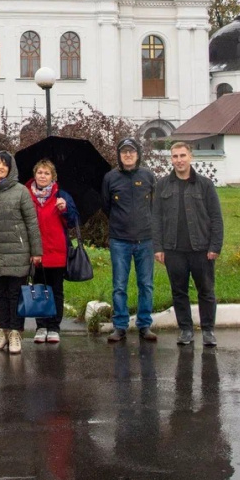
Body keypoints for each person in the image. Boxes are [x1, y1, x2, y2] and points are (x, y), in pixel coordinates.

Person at [153, 141, 224, 346]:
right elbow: (156, 218)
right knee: (179, 291)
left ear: (190, 157)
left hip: (201, 249)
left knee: (206, 291)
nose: (179, 160)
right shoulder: (163, 185)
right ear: (171, 159)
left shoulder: (205, 185)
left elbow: (216, 218)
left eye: (182, 156)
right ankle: (185, 329)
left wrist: (214, 246)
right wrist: (158, 247)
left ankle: (208, 330)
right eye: (175, 156)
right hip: (173, 249)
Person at [0, 150, 43, 355]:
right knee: (1, 294)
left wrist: (36, 251)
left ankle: (16, 333)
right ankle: (3, 330)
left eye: (4, 164)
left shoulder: (21, 191)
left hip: (18, 252)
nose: (0, 167)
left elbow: (31, 223)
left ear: (10, 169)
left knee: (15, 295)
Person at [102, 137, 157, 343]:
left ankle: (144, 325)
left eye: (131, 152)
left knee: (146, 284)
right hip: (120, 241)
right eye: (124, 152)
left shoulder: (148, 176)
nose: (128, 155)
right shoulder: (110, 178)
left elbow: (155, 205)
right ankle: (120, 326)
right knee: (119, 285)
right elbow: (106, 206)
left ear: (138, 154)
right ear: (119, 155)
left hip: (146, 240)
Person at [26, 159, 78, 344]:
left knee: (56, 290)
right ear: (35, 174)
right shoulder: (26, 195)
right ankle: (41, 326)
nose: (42, 176)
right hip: (35, 251)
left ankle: (54, 327)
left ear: (52, 177)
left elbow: (72, 222)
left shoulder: (61, 195)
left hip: (57, 250)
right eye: (40, 172)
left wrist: (65, 209)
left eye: (46, 173)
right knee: (39, 288)